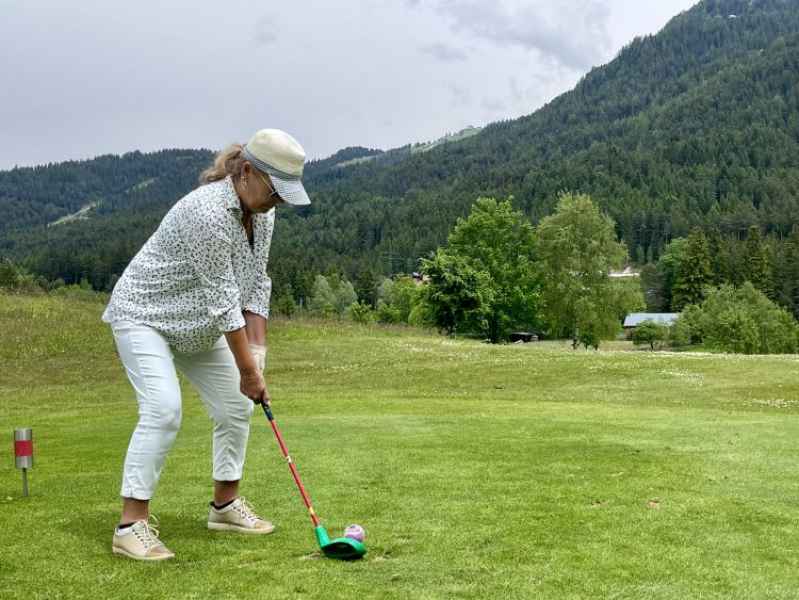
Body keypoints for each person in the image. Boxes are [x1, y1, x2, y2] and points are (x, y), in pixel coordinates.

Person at [102, 129, 311, 561]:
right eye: (275, 190)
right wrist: (248, 373)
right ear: (247, 171)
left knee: (236, 404)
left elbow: (256, 284)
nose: (279, 201)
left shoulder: (263, 214)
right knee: (163, 409)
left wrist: (257, 357)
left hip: (198, 324)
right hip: (145, 315)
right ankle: (130, 525)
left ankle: (224, 506)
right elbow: (224, 300)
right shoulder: (207, 212)